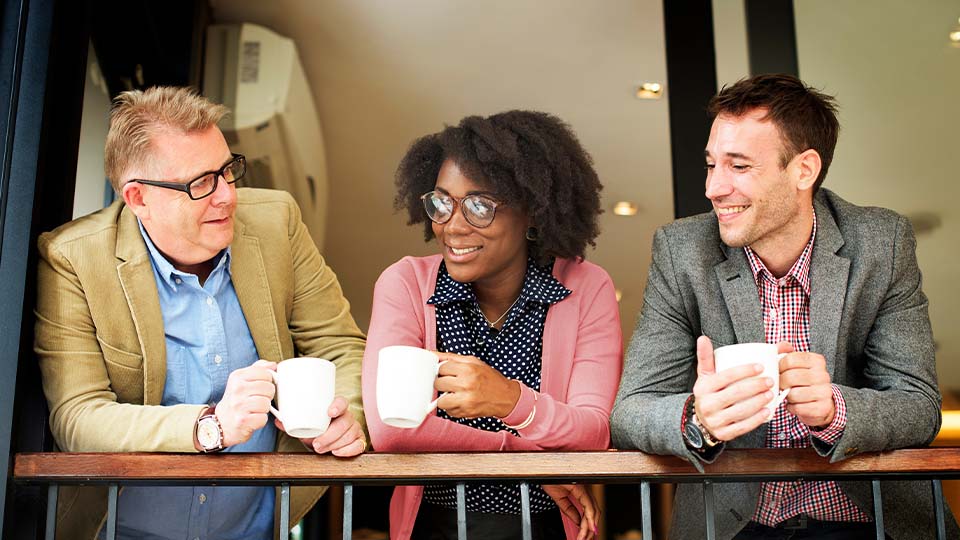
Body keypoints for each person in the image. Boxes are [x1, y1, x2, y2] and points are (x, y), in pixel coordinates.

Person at [610, 73, 958, 540]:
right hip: (736, 525)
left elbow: (918, 406)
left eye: (738, 166)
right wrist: (698, 418)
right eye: (711, 164)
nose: (713, 187)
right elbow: (630, 412)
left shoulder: (881, 242)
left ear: (804, 170)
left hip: (867, 518)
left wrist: (836, 410)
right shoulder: (681, 250)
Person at [34, 86, 367, 540]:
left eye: (228, 171)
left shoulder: (278, 222)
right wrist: (209, 426)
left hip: (259, 528)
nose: (227, 196)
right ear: (138, 198)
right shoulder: (72, 258)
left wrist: (348, 414)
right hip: (124, 532)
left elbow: (341, 347)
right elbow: (78, 416)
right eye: (200, 183)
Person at [362, 110, 623, 540]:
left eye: (480, 205)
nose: (453, 225)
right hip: (434, 526)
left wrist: (507, 400)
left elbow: (593, 431)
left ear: (534, 212)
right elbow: (392, 430)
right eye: (442, 202)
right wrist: (526, 457)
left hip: (547, 529)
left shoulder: (585, 287)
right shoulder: (406, 283)